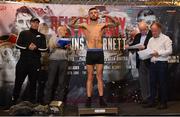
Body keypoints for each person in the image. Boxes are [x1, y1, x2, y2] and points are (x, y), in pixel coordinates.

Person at [69, 7, 119, 107]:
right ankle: (88, 99)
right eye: (91, 13)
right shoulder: (84, 25)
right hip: (90, 52)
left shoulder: (103, 25)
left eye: (95, 12)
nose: (93, 14)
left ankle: (101, 99)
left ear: (98, 14)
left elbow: (117, 24)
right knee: (90, 77)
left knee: (99, 76)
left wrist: (108, 16)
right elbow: (70, 24)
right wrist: (80, 17)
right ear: (89, 15)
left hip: (99, 52)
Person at [12, 17, 47, 104]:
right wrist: (28, 46)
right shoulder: (23, 33)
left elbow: (45, 48)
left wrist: (36, 48)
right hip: (23, 62)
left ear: (38, 24)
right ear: (30, 23)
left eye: (37, 23)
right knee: (18, 82)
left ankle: (32, 103)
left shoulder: (42, 36)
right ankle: (13, 102)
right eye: (34, 22)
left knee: (33, 84)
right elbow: (17, 45)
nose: (35, 24)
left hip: (35, 63)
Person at [143, 22, 172, 109]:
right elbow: (148, 50)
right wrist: (145, 53)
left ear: (160, 29)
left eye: (155, 31)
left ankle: (163, 103)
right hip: (153, 64)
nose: (153, 33)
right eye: (152, 31)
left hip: (162, 64)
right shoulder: (151, 39)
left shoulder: (166, 39)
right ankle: (152, 101)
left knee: (162, 83)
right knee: (152, 83)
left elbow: (169, 51)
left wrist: (158, 53)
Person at [43, 25, 71, 105]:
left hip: (64, 61)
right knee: (50, 82)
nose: (65, 31)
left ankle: (59, 101)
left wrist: (68, 48)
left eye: (65, 30)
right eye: (63, 30)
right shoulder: (53, 37)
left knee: (62, 83)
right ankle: (47, 101)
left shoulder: (67, 39)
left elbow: (70, 52)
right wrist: (58, 43)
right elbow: (50, 47)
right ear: (59, 31)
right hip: (54, 61)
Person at [126, 21, 152, 104]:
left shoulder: (152, 34)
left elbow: (155, 46)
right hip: (140, 60)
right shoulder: (137, 36)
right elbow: (134, 46)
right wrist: (128, 47)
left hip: (150, 60)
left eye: (143, 29)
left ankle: (152, 98)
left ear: (147, 28)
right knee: (142, 80)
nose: (142, 31)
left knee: (151, 80)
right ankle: (145, 98)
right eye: (140, 30)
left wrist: (145, 47)